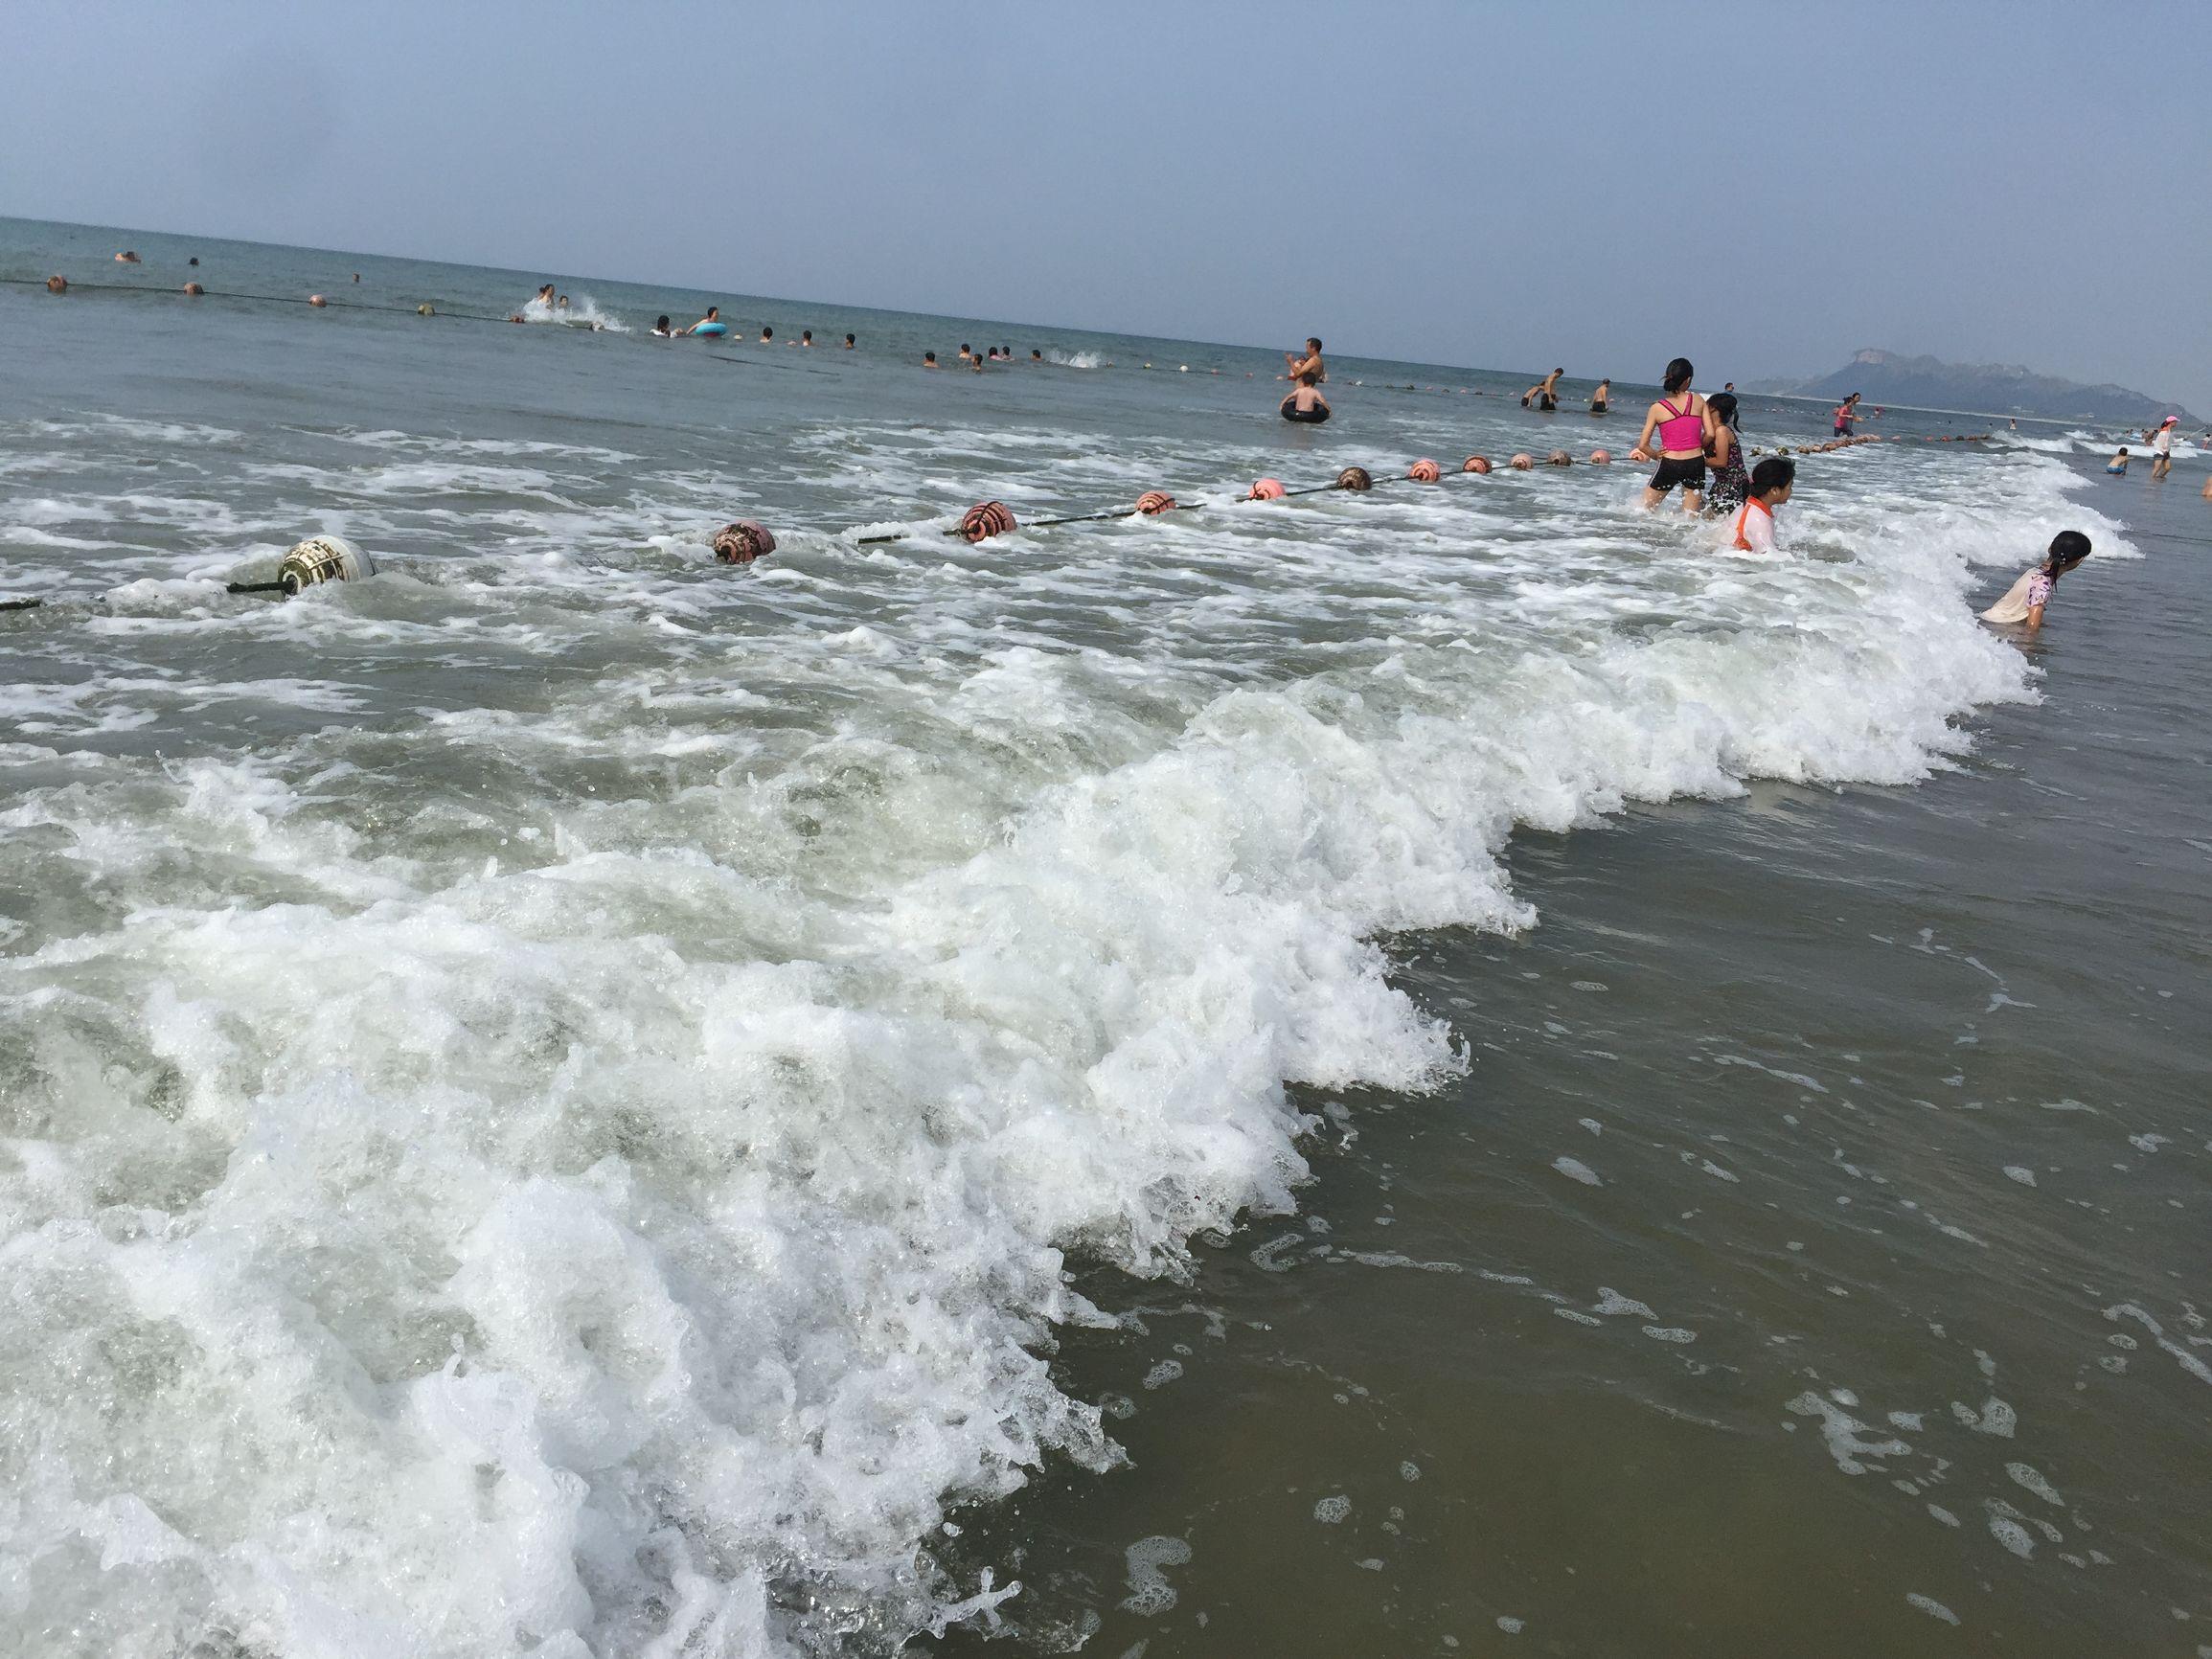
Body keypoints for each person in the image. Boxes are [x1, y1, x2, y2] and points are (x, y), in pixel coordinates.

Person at [1630, 358, 1714, 511]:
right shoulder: (1698, 400)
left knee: (1643, 510)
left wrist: (1656, 455)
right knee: (1690, 517)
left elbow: (1643, 445)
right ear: (1688, 380)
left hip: (1670, 462)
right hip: (1695, 462)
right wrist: (1696, 446)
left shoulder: (1657, 407)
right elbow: (1710, 434)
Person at [1980, 532, 2091, 630]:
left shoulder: (2035, 571)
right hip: (1996, 627)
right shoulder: (2043, 584)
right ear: (2079, 561)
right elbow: (2032, 628)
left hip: (1988, 620)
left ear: (2050, 548)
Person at [1725, 457, 1794, 553]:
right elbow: (1768, 558)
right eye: (1790, 487)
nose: (1791, 491)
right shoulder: (1760, 521)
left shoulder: (1746, 505)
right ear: (1774, 490)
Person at [1703, 393, 1749, 514]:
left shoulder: (1722, 431)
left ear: (1712, 408)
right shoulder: (1711, 432)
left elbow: (1720, 462)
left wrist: (1697, 461)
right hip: (1724, 484)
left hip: (1732, 487)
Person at [2148, 415, 2178, 480]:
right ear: (2171, 422)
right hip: (2159, 451)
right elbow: (2161, 443)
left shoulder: (2170, 432)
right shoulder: (2164, 431)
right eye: (2175, 422)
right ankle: (2151, 481)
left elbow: (2174, 441)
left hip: (2166, 452)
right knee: (2157, 468)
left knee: (2167, 468)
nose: (2176, 423)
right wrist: (2163, 450)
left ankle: (2159, 478)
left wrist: (2184, 439)